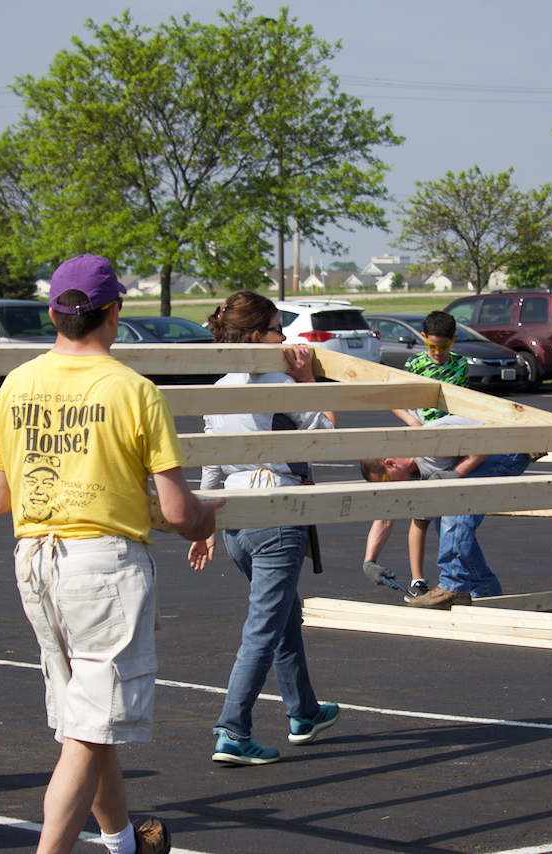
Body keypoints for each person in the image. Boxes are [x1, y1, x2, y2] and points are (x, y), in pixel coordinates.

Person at [0, 255, 221, 854]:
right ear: (112, 313)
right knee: (86, 735)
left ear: (57, 314)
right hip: (103, 568)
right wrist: (207, 519)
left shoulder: (18, 382)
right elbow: (177, 512)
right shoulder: (133, 391)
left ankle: (122, 843)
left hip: (36, 562)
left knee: (88, 719)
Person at [187, 291, 340, 766]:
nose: (287, 337)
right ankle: (232, 728)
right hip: (276, 510)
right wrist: (308, 379)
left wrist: (205, 525)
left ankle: (304, 712)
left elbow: (210, 464)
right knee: (264, 625)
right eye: (279, 328)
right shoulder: (280, 380)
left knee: (282, 616)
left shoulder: (216, 391)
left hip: (234, 516)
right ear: (257, 336)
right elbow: (328, 439)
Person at [360, 416, 534, 610]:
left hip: (506, 448)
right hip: (488, 454)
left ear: (391, 464)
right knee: (443, 519)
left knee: (456, 504)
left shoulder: (428, 440)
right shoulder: (412, 476)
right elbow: (386, 515)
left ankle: (453, 586)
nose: (388, 488)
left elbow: (485, 443)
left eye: (385, 482)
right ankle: (486, 590)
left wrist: (456, 474)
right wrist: (370, 561)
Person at [391, 311, 472, 596]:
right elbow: (394, 400)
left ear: (454, 340)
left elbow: (465, 402)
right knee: (421, 515)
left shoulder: (461, 365)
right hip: (423, 445)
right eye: (432, 346)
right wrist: (413, 422)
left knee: (454, 517)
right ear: (423, 339)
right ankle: (417, 579)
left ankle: (460, 576)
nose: (437, 353)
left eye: (444, 347)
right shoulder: (415, 363)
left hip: (451, 443)